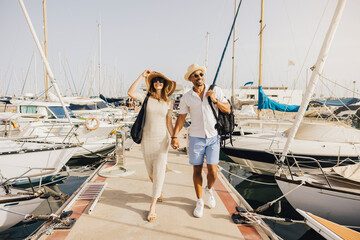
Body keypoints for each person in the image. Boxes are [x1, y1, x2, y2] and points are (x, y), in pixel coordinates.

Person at [171, 63, 230, 218]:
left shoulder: (215, 90)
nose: (199, 77)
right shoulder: (186, 97)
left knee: (213, 171)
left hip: (213, 137)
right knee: (197, 171)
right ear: (191, 79)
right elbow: (181, 118)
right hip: (196, 137)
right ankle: (199, 201)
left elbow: (228, 109)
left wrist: (215, 100)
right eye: (195, 75)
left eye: (201, 74)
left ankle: (209, 190)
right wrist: (174, 136)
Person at [128, 70, 176, 222]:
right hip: (147, 140)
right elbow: (130, 92)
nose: (157, 83)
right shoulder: (146, 98)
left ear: (164, 84)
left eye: (160, 81)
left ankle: (152, 206)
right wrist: (142, 76)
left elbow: (169, 122)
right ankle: (159, 190)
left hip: (162, 140)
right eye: (155, 80)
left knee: (159, 171)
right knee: (151, 171)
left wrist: (174, 137)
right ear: (152, 84)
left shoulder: (169, 102)